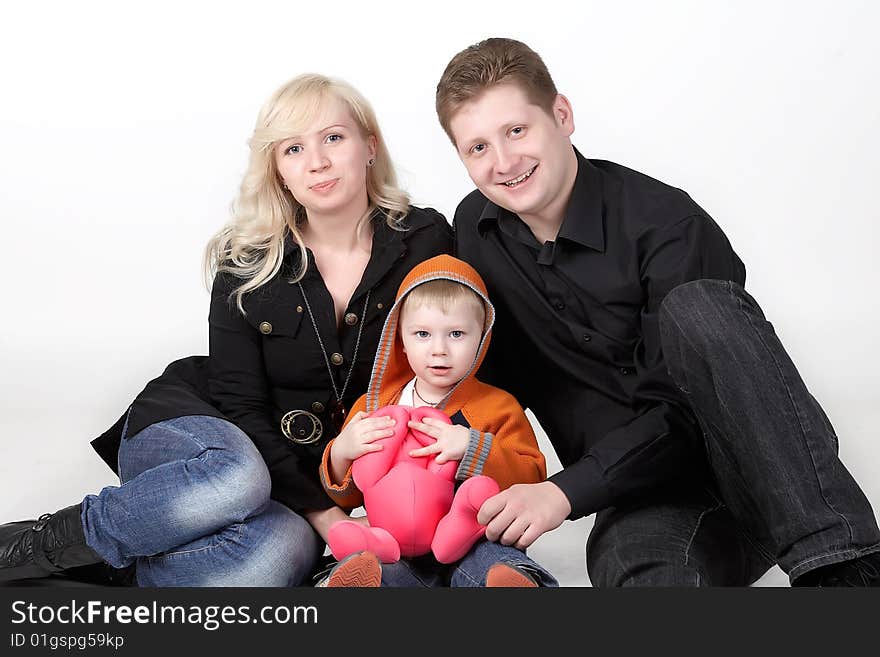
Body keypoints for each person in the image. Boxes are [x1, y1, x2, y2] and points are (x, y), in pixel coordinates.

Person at [436, 37, 880, 586]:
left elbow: (682, 413)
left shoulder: (668, 224)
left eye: (516, 131)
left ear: (561, 114)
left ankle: (846, 573)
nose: (503, 162)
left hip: (759, 472)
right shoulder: (475, 233)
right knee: (636, 573)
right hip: (643, 499)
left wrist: (562, 491)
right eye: (477, 148)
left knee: (700, 307)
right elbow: (478, 375)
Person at [0, 73, 452, 586]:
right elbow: (242, 406)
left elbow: (454, 357)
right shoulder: (247, 262)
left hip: (293, 476)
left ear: (369, 146)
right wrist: (327, 517)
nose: (317, 162)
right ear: (278, 171)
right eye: (293, 149)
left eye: (333, 137)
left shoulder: (424, 239)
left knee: (279, 555)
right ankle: (29, 547)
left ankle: (129, 563)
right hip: (202, 430)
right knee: (237, 478)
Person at [317, 254, 558, 587]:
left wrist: (473, 448)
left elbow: (531, 479)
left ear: (482, 337)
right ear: (399, 339)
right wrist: (342, 452)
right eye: (422, 334)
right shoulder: (374, 405)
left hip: (473, 541)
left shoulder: (497, 406)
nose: (439, 350)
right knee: (375, 566)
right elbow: (351, 496)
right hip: (396, 546)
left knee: (493, 559)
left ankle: (505, 581)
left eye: (457, 334)